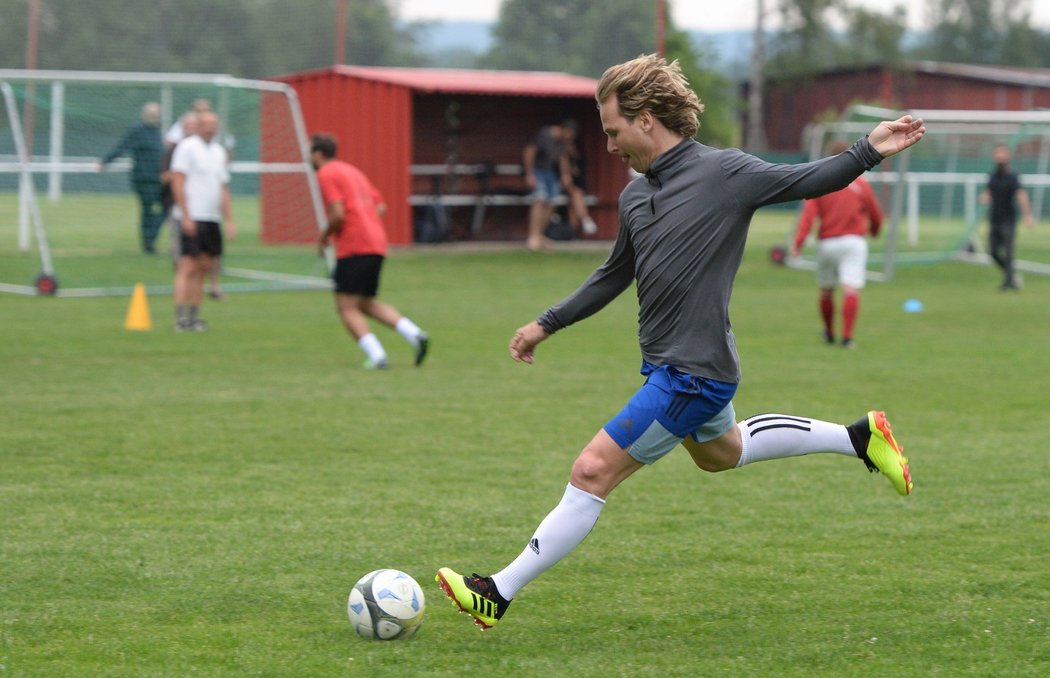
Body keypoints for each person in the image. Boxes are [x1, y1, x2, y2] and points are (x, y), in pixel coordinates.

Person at [436, 54, 924, 631]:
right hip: (677, 367)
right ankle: (859, 437)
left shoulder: (724, 174)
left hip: (691, 372)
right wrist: (548, 322)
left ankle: (498, 590)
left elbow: (808, 179)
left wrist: (869, 149)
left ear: (645, 120)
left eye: (614, 131)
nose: (611, 145)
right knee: (725, 454)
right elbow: (615, 274)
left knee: (592, 470)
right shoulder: (636, 197)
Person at [310, 133, 429, 369]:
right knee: (366, 302)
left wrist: (324, 238)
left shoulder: (326, 173)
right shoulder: (353, 171)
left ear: (318, 154)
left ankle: (377, 357)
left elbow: (338, 211)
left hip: (354, 245)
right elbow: (380, 206)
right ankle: (414, 334)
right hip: (376, 243)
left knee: (346, 306)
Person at [790, 140, 884, 348]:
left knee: (826, 290)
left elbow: (808, 216)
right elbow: (875, 213)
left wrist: (798, 243)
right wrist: (875, 231)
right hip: (853, 242)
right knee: (850, 288)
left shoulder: (822, 183)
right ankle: (848, 338)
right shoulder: (861, 183)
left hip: (827, 244)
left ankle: (829, 333)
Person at [170, 111, 235, 332]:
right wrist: (186, 215)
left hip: (211, 219)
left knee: (204, 267)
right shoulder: (187, 147)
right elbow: (178, 181)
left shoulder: (218, 152)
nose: (210, 128)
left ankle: (194, 317)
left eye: (214, 124)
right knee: (187, 266)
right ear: (197, 126)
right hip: (192, 217)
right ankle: (180, 319)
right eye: (206, 124)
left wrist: (229, 220)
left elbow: (223, 188)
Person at [97, 102, 166, 254]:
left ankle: (150, 239)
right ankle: (148, 243)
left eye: (156, 114)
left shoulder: (157, 132)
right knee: (148, 210)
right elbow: (122, 147)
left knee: (165, 208)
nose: (154, 117)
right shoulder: (138, 130)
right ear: (145, 115)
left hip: (158, 179)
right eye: (151, 114)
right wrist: (105, 162)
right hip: (143, 179)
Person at [979, 144, 1035, 291]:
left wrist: (1028, 216)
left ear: (1008, 156)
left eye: (1002, 154)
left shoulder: (1013, 177)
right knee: (992, 252)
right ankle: (1012, 276)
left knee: (1009, 253)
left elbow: (1021, 196)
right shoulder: (992, 176)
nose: (999, 157)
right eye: (997, 154)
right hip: (994, 219)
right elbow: (989, 193)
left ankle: (1008, 283)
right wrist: (985, 196)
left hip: (1008, 220)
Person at [523, 119, 578, 251]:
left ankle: (540, 235)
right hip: (538, 170)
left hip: (550, 172)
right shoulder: (545, 134)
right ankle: (532, 237)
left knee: (553, 202)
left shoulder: (564, 141)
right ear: (563, 129)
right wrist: (529, 174)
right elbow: (529, 152)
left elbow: (562, 157)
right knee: (540, 200)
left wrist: (566, 175)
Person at [566, 138, 598, 236]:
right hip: (563, 188)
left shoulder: (580, 159)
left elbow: (578, 175)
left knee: (573, 203)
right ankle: (586, 219)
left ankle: (571, 233)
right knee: (576, 194)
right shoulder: (562, 159)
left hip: (577, 189)